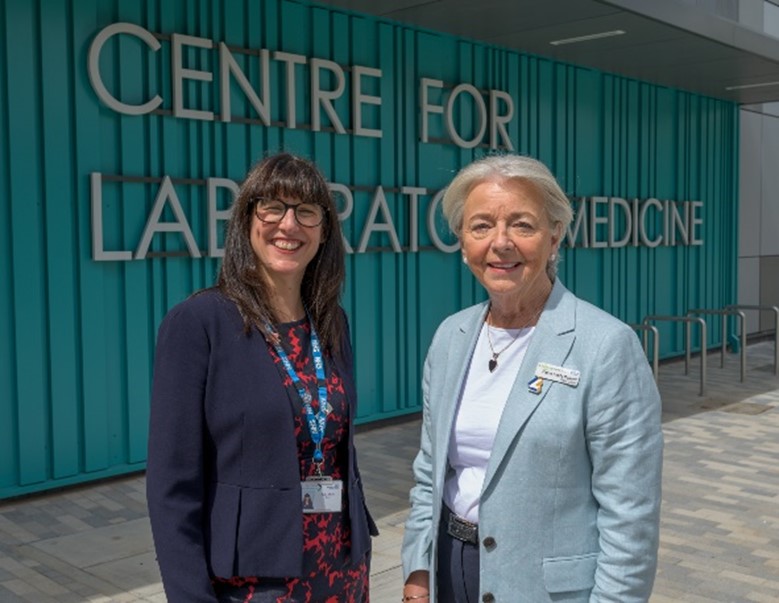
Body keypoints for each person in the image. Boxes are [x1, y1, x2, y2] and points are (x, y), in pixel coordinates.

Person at [401, 154, 663, 602]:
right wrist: (418, 568)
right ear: (463, 242)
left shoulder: (605, 345)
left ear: (555, 234)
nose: (501, 243)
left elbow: (630, 514)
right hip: (450, 572)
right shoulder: (451, 336)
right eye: (481, 226)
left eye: (522, 225)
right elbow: (430, 471)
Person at [146, 152, 377, 603]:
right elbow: (171, 487)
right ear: (247, 220)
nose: (288, 225)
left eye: (307, 211)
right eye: (272, 207)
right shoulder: (199, 323)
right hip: (255, 586)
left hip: (341, 575)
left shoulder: (331, 322)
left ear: (324, 230)